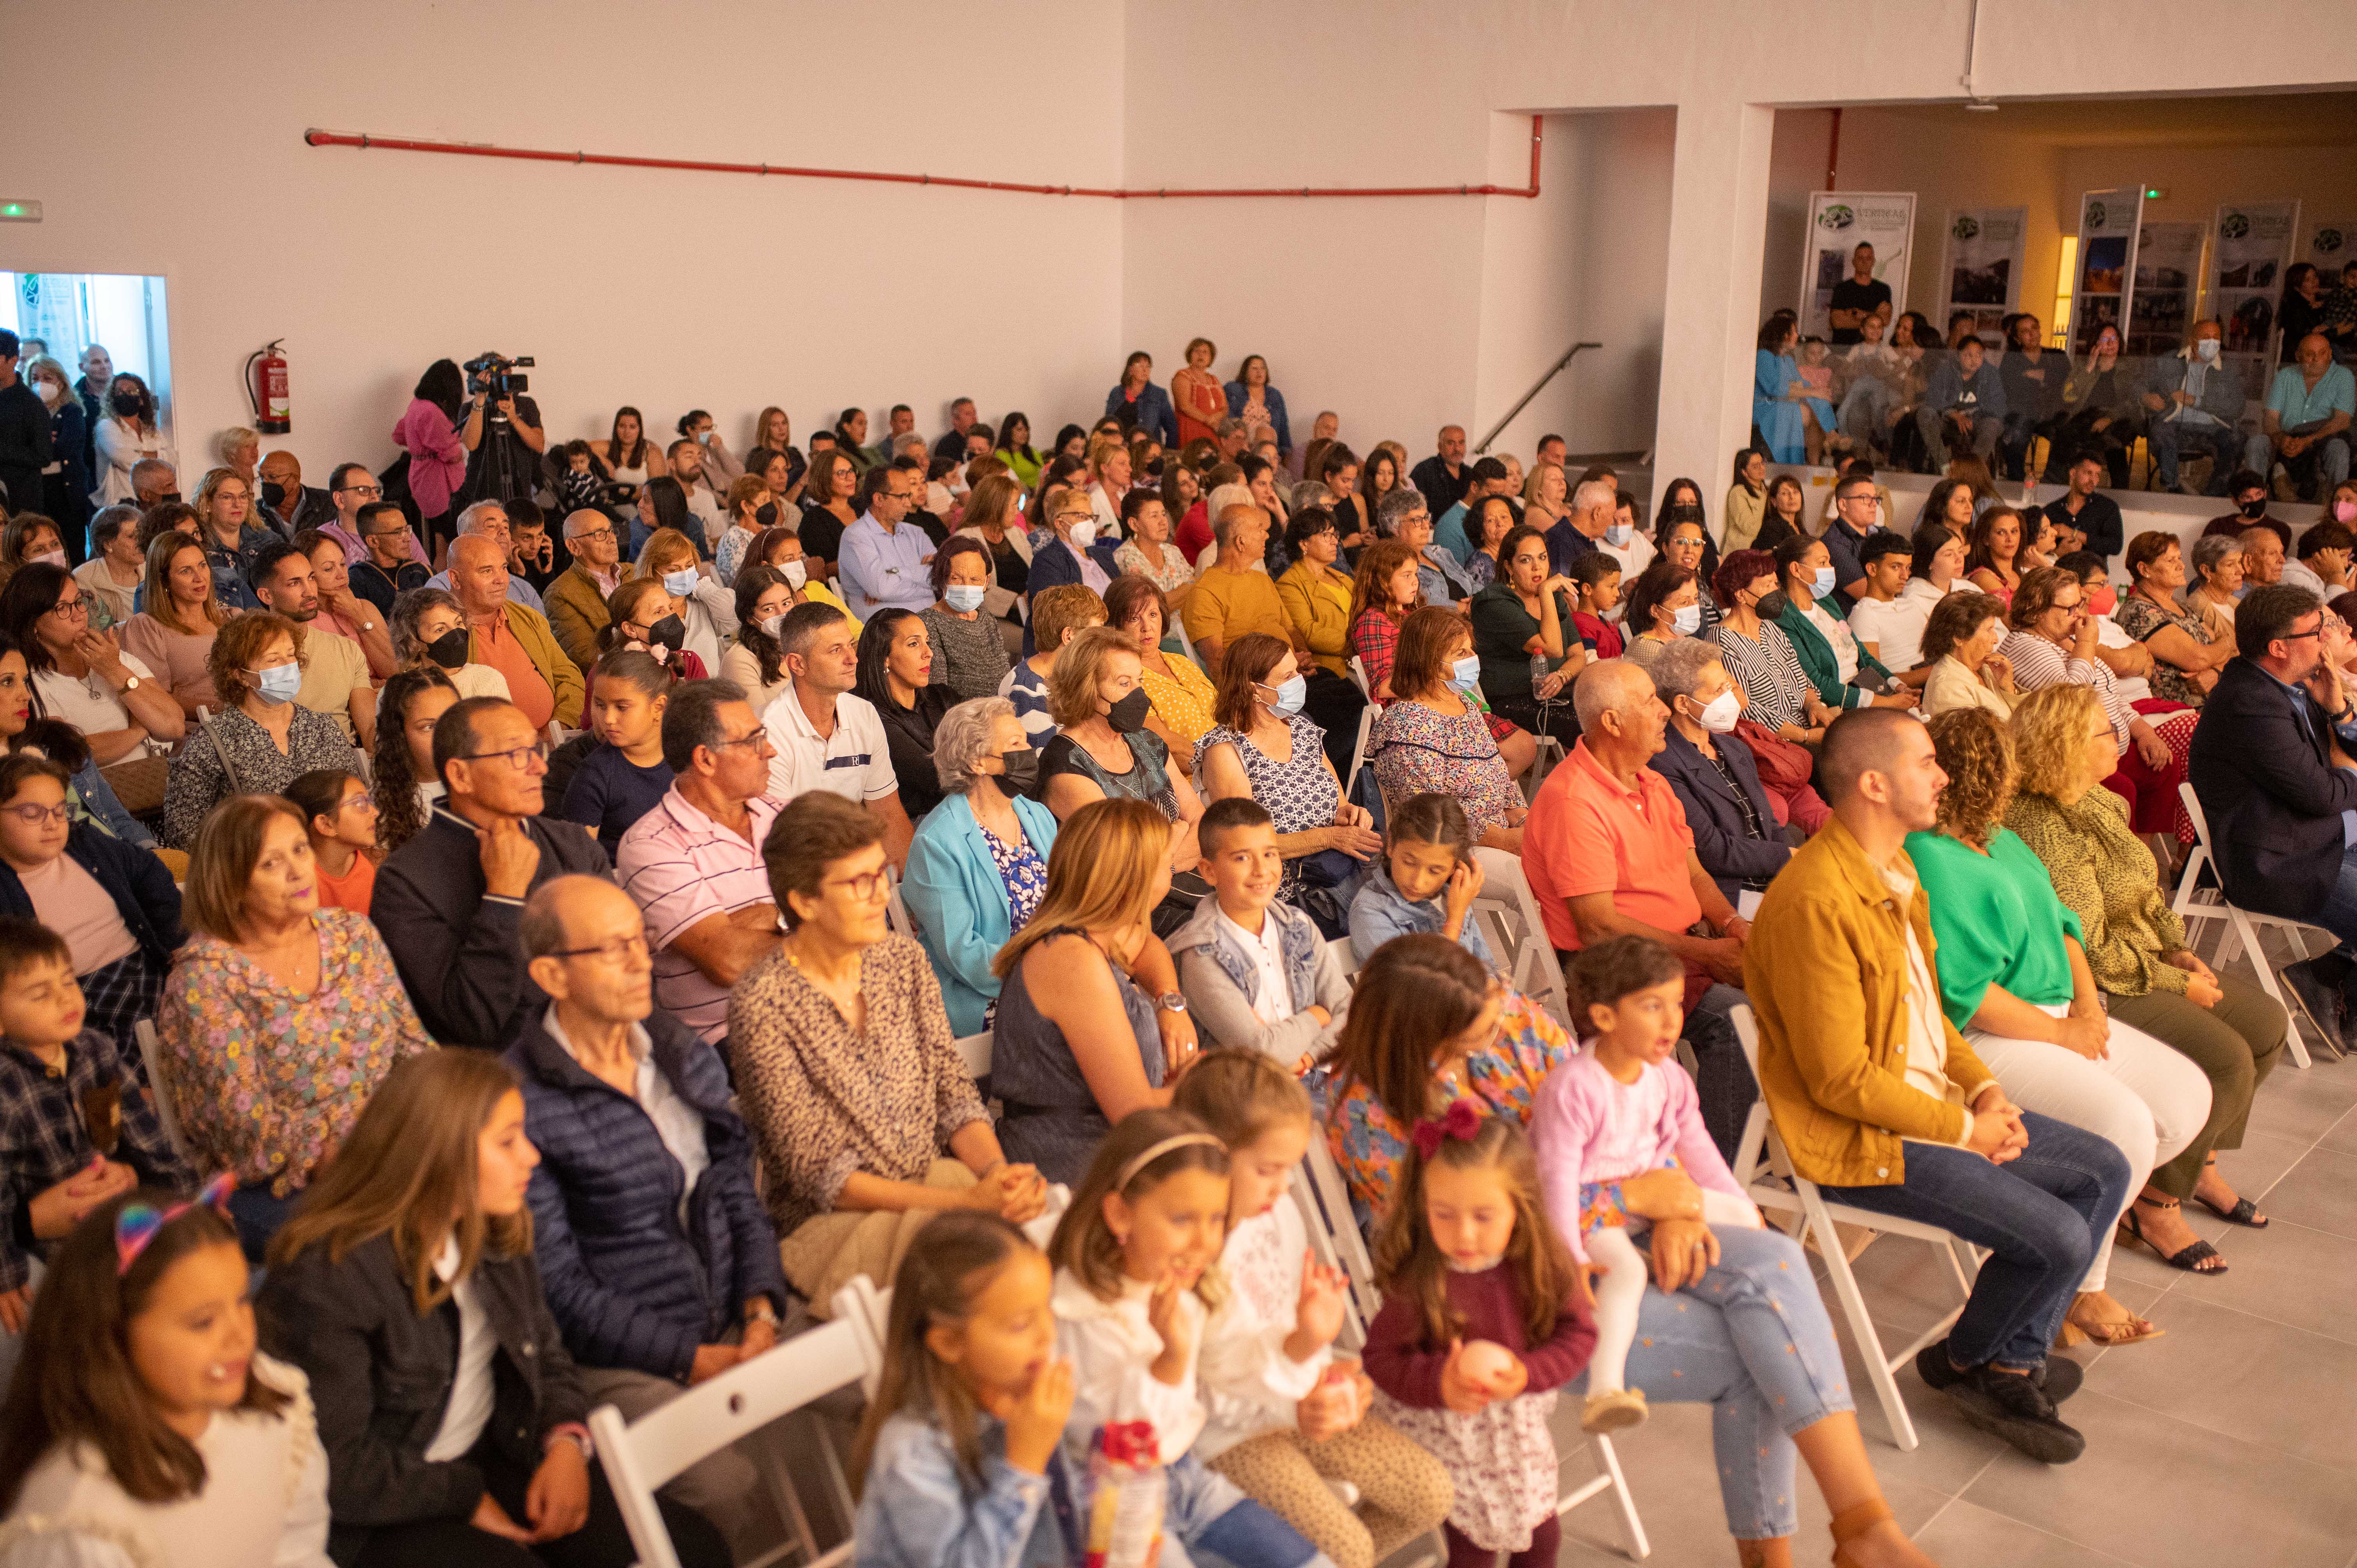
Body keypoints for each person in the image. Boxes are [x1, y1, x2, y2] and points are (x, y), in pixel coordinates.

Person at [1743, 708, 2132, 1469]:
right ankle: (1978, 1362)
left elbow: (1930, 1011)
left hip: (1933, 1104)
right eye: (1927, 761)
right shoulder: (1817, 899)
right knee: (2059, 1236)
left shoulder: (1899, 872)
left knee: (2104, 1170)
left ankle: (1995, 1360)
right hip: (1861, 1136)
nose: (1945, 775)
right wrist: (1965, 1131)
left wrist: (1985, 1090)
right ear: (1874, 783)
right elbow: (1841, 1080)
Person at [259, 1050, 728, 1568]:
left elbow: (548, 1356)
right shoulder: (331, 1275)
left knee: (697, 1548)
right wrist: (462, 1495)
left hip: (494, 1454)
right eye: (508, 1142)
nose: (530, 1156)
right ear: (439, 1153)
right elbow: (336, 1465)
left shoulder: (497, 1229)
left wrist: (568, 1442)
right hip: (385, 1511)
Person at [503, 876, 785, 1562]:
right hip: (625, 1357)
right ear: (551, 974)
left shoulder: (676, 1049)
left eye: (640, 939)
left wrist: (760, 1307)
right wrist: (689, 1357)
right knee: (726, 1481)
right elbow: (558, 1287)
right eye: (613, 948)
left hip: (735, 1314)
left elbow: (737, 1191)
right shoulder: (520, 1101)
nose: (641, 961)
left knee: (879, 1378)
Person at [1909, 706, 2216, 1334]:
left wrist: (2085, 1004)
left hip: (2060, 1011)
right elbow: (1963, 989)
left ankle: (2057, 1234)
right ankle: (2081, 1283)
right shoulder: (1928, 853)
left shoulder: (2004, 838)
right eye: (2006, 764)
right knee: (2124, 1127)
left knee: (2185, 1100)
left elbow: (2065, 924)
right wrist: (2059, 1032)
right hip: (1991, 1034)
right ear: (1986, 773)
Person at [728, 790, 1041, 1308]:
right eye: (860, 882)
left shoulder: (901, 961)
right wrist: (961, 1200)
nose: (882, 895)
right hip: (836, 1225)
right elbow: (824, 1176)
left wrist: (995, 1175)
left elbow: (953, 1094)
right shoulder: (763, 1003)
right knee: (980, 1280)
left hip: (935, 1186)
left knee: (1018, 1245)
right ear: (804, 901)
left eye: (883, 874)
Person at [2008, 683, 2285, 1242]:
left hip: (2146, 957)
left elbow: (2148, 889)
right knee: (2229, 1058)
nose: (2119, 736)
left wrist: (2178, 947)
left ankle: (2197, 1163)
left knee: (2268, 1025)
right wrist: (2176, 983)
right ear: (2065, 746)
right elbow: (2086, 945)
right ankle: (2155, 1203)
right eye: (2105, 731)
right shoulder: (2044, 826)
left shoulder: (2102, 799)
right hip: (2098, 984)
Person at [1167, 1053, 1452, 1568]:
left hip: (1297, 1402)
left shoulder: (1274, 1214)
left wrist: (1333, 1369)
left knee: (1430, 1494)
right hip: (1228, 1437)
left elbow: (1290, 1326)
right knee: (1348, 1548)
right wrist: (1301, 1375)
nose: (1284, 1187)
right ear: (1208, 1154)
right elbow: (1198, 1395)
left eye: (1290, 1169)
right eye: (1267, 1170)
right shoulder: (1183, 1258)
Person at [1042, 1113, 1332, 1568]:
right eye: (1182, 1219)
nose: (1204, 1242)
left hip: (1186, 1480)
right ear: (1121, 1212)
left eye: (1216, 1219)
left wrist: (1305, 1339)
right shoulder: (1080, 1310)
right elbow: (1119, 1448)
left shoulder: (1187, 1286)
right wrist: (1171, 1364)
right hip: (1108, 1506)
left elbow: (1234, 1359)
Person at [0, 1181, 335, 1568]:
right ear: (114, 1334)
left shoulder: (272, 1399)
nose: (240, 1334)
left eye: (242, 1300)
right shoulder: (84, 1520)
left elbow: (298, 1550)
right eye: (203, 1321)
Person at [160, 792, 430, 1259]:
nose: (297, 870)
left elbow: (412, 1044)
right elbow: (246, 1129)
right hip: (278, 1182)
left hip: (391, 1146)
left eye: (300, 850)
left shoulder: (353, 934)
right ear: (231, 883)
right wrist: (355, 1154)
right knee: (395, 1244)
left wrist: (447, 1110)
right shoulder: (206, 978)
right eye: (270, 863)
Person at [1521, 659, 1757, 1154]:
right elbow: (1598, 926)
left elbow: (1693, 873)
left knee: (1800, 978)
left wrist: (1733, 925)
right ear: (1612, 721)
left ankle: (1772, 1135)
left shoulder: (1652, 781)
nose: (1663, 712)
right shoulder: (1573, 799)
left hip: (1683, 947)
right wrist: (1708, 955)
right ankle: (1716, 1170)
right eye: (1650, 701)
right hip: (1615, 966)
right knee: (1738, 1016)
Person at [1534, 934, 1764, 1437]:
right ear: (1606, 1017)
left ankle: (1758, 1314)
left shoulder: (1668, 1078)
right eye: (1652, 1006)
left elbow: (1697, 1147)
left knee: (1750, 1224)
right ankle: (1605, 1390)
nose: (1671, 1021)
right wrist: (1568, 1260)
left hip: (1653, 1196)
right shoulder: (1574, 1088)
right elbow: (1555, 1179)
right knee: (1625, 1277)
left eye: (1677, 1004)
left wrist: (1739, 1203)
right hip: (1593, 1209)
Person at [1360, 1111, 1590, 1568]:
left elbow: (1578, 1336)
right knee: (1473, 1552)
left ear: (1519, 1207)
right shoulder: (1422, 1277)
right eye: (1443, 1214)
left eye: (1484, 1216)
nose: (1464, 1233)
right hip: (1449, 1434)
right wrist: (1437, 1382)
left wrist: (1529, 1372)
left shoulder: (1543, 1265)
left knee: (1543, 1540)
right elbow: (1381, 1358)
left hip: (1519, 1430)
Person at [0, 908, 193, 1389]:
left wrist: (186, 1201)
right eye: (39, 993)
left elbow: (148, 1140)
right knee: (61, 1324)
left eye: (67, 982)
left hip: (112, 1210)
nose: (66, 998)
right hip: (43, 1239)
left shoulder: (94, 1051)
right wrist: (6, 1269)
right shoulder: (6, 1087)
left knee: (182, 1275)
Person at [374, 696, 610, 1049]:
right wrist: (503, 897)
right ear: (460, 775)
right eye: (517, 755)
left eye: (537, 750)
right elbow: (470, 1024)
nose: (540, 768)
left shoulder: (572, 843)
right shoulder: (405, 881)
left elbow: (626, 965)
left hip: (610, 1047)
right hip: (505, 1083)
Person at [848, 1212, 1080, 1568]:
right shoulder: (910, 1450)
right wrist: (1025, 1463)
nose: (1047, 1335)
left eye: (1047, 1309)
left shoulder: (1022, 1396)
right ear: (950, 1343)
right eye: (1020, 1325)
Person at [0, 748, 178, 1062]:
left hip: (145, 968)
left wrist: (177, 944)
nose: (53, 824)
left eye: (60, 810)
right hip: (74, 1000)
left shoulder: (87, 844)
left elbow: (151, 875)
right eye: (32, 814)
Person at [1999, 567, 2194, 852]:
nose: (2080, 616)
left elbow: (2111, 697)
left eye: (2080, 604)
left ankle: (2143, 856)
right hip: (2074, 755)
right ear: (2037, 610)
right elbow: (2075, 699)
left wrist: (2145, 733)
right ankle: (2123, 864)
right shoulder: (2026, 646)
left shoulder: (2063, 641)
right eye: (2069, 609)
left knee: (2164, 766)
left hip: (2110, 747)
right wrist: (2088, 644)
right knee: (2122, 789)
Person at [901, 697, 1056, 1037]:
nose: (1029, 752)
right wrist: (1045, 973)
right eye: (1016, 745)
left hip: (1057, 968)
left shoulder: (1037, 815)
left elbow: (1069, 900)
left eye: (1027, 741)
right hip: (981, 991)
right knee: (1081, 1020)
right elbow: (964, 953)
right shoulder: (937, 842)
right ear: (976, 762)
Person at [1168, 796, 1356, 1069]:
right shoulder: (1202, 953)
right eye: (1242, 858)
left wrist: (1306, 1059)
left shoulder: (1298, 926)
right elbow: (1262, 1052)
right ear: (1209, 872)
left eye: (1270, 854)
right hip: (1244, 1097)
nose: (1261, 871)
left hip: (1313, 1075)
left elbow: (1348, 1010)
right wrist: (1317, 1016)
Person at [1190, 636, 1374, 913]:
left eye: (1296, 672)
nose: (1299, 681)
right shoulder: (1225, 749)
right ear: (1254, 690)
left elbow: (1341, 804)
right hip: (1283, 895)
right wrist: (1329, 837)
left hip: (1337, 874)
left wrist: (1351, 816)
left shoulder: (1302, 729)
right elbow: (1245, 842)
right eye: (1288, 676)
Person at [160, 612, 361, 851]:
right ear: (240, 675)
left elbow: (354, 803)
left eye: (291, 655)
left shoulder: (323, 728)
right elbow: (184, 834)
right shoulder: (211, 744)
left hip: (332, 863)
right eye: (273, 660)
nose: (289, 667)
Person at [760, 602, 915, 862]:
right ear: (797, 664)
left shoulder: (864, 714)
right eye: (836, 650)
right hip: (799, 867)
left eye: (851, 645)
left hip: (856, 858)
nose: (853, 658)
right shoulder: (770, 732)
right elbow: (782, 841)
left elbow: (888, 814)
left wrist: (912, 893)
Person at [1367, 609, 1526, 853]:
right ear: (1429, 663)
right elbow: (1431, 815)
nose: (1474, 657)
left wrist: (1525, 822)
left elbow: (1502, 784)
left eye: (1471, 649)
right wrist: (1506, 840)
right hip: (1449, 850)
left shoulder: (1465, 705)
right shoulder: (1406, 725)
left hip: (1498, 836)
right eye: (1461, 653)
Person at [1646, 637, 1793, 901]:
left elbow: (1769, 824)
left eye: (1728, 685)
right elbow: (1713, 851)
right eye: (1717, 691)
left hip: (1773, 878)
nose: (1730, 696)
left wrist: (1791, 869)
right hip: (1730, 893)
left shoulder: (1734, 749)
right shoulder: (1663, 762)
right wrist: (1789, 857)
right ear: (1682, 704)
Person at [246, 541, 376, 749]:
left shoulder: (347, 649)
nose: (310, 591)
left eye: (312, 578)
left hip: (347, 763)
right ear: (266, 596)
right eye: (294, 583)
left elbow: (370, 728)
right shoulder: (250, 654)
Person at [448, 536, 580, 730]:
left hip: (554, 744)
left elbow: (569, 676)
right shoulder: (442, 630)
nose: (501, 580)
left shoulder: (528, 617)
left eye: (503, 568)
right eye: (487, 571)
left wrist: (559, 727)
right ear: (455, 579)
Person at [551, 650, 670, 858]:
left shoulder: (686, 759)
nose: (608, 719)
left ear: (659, 707)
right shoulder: (594, 775)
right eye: (600, 705)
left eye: (621, 707)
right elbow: (578, 861)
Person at [1770, 537, 1907, 713]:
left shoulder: (1827, 602)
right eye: (1823, 562)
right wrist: (1884, 702)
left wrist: (1897, 685)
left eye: (1829, 562)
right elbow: (1814, 681)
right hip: (1841, 705)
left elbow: (1863, 656)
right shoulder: (1784, 619)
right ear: (1796, 569)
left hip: (1868, 688)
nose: (1830, 569)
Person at [2113, 531, 2235, 707]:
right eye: (2171, 561)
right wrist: (2222, 648)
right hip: (2177, 712)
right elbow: (2198, 658)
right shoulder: (2138, 612)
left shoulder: (2178, 605)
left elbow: (2229, 645)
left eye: (2179, 558)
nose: (2182, 566)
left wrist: (2216, 671)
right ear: (2144, 569)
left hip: (2211, 705)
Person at [854, 609, 953, 823]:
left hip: (962, 809)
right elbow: (936, 778)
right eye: (913, 644)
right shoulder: (871, 716)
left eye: (927, 642)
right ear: (885, 658)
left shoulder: (943, 696)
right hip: (919, 824)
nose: (929, 653)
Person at [120, 534, 227, 724]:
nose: (199, 578)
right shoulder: (148, 627)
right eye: (186, 571)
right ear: (165, 581)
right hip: (194, 733)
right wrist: (221, 708)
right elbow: (155, 698)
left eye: (202, 566)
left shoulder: (231, 618)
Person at [2249, 332, 2355, 500]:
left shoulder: (2343, 377)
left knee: (2339, 449)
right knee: (2257, 443)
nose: (2316, 359)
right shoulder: (2285, 376)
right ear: (2298, 356)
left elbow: (2342, 421)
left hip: (2321, 439)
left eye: (2322, 354)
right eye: (2309, 354)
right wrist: (2280, 438)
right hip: (2287, 439)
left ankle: (2336, 504)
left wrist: (2306, 441)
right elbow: (2270, 418)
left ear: (2330, 354)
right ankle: (2256, 500)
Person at [2144, 320, 2244, 495]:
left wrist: (2196, 401)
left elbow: (2237, 406)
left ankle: (2213, 496)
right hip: (2175, 424)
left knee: (2236, 440)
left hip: (2214, 428)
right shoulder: (2170, 361)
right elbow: (2139, 382)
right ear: (2192, 341)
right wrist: (2145, 397)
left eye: (2217, 338)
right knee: (2159, 430)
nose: (2212, 342)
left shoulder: (2229, 370)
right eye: (2206, 337)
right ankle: (2174, 487)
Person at [370, 667, 459, 857]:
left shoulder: (489, 781)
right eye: (429, 727)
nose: (446, 734)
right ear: (400, 735)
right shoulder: (380, 807)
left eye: (453, 719)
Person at [916, 535, 1010, 703]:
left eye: (975, 580)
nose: (966, 586)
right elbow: (938, 694)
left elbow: (1004, 674)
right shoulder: (927, 623)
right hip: (961, 720)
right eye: (956, 578)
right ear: (941, 578)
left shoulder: (984, 617)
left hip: (998, 711)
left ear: (986, 582)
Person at [392, 360, 470, 553]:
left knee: (441, 542)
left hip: (421, 479)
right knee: (452, 545)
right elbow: (452, 454)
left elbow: (399, 435)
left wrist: (421, 449)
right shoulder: (431, 412)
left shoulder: (416, 405)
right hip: (439, 484)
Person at [2052, 327, 2143, 489]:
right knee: (2064, 436)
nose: (2111, 344)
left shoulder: (2131, 368)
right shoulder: (2085, 364)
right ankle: (2054, 487)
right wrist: (2089, 368)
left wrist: (2109, 418)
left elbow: (2135, 401)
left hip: (2118, 417)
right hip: (2087, 416)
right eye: (2105, 339)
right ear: (2096, 344)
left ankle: (2120, 493)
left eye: (2114, 339)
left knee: (2112, 442)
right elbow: (2069, 396)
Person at [838, 465, 933, 620]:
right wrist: (923, 577)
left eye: (909, 496)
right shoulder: (856, 536)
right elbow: (881, 589)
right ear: (879, 499)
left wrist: (896, 572)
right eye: (902, 496)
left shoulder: (916, 533)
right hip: (886, 631)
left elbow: (941, 579)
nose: (909, 504)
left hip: (931, 622)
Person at [393, 584, 512, 702]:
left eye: (459, 623)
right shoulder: (397, 692)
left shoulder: (489, 680)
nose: (456, 635)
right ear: (415, 640)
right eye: (440, 629)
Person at [286, 767, 378, 915]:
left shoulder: (365, 870)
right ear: (326, 825)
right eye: (360, 804)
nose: (375, 812)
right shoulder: (299, 884)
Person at [1275, 509, 1353, 680]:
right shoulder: (1289, 584)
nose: (1335, 542)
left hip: (1362, 659)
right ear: (1304, 544)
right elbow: (1308, 632)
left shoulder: (1343, 578)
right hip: (1332, 671)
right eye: (1326, 535)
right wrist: (1358, 643)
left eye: (1335, 535)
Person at [542, 510, 624, 671]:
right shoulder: (560, 593)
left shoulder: (634, 572)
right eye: (600, 534)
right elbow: (586, 658)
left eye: (612, 531)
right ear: (574, 546)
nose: (612, 539)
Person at [1919, 590, 2020, 719]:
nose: (1996, 640)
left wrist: (2008, 688)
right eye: (1989, 630)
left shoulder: (1985, 668)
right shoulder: (1948, 688)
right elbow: (1978, 738)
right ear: (1959, 637)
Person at [1845, 530, 1929, 675]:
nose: (1905, 576)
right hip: (1904, 690)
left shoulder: (1911, 605)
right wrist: (1935, 672)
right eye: (1895, 567)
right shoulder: (1865, 614)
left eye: (1908, 568)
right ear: (1872, 569)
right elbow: (1874, 678)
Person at [1916, 334, 2005, 470]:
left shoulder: (1990, 373)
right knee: (1925, 413)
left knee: (1992, 424)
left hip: (1977, 420)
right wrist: (1954, 414)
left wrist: (1972, 416)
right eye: (1969, 355)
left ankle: (1970, 470)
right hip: (1950, 420)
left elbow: (1998, 405)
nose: (1974, 360)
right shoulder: (1945, 371)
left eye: (1979, 355)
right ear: (1959, 355)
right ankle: (1945, 467)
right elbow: (1933, 399)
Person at [1995, 313, 2066, 482]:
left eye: (2034, 328)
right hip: (2023, 412)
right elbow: (2012, 389)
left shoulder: (2057, 356)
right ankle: (2016, 483)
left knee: (2065, 433)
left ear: (2040, 331)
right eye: (2025, 331)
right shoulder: (2012, 360)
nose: (2032, 334)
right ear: (2018, 339)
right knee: (2017, 432)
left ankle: (2053, 483)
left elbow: (2069, 383)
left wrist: (2040, 376)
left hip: (2053, 413)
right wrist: (2046, 379)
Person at [88, 376, 172, 510]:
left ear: (141, 400)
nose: (125, 395)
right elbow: (125, 460)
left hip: (152, 503)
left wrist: (139, 455)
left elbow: (171, 459)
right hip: (119, 506)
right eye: (120, 392)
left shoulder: (151, 430)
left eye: (131, 391)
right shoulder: (106, 426)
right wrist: (156, 458)